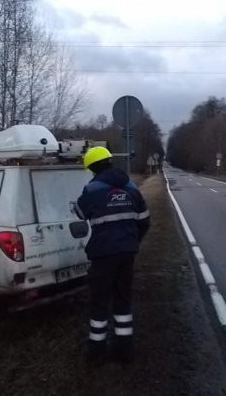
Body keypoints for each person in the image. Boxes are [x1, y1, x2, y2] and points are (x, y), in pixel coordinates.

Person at [75, 146, 150, 364]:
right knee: (123, 299)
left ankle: (97, 352)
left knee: (100, 302)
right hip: (127, 254)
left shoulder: (92, 190)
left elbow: (81, 212)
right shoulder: (132, 188)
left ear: (92, 167)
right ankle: (124, 349)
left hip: (103, 255)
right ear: (109, 162)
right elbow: (144, 221)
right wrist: (132, 242)